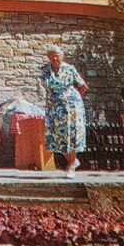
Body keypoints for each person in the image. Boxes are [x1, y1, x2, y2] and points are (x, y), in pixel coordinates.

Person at [39, 46, 88, 178]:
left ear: (62, 56)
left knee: (71, 134)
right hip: (54, 108)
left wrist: (75, 101)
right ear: (48, 57)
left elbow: (83, 87)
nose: (55, 58)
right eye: (52, 56)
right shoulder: (44, 71)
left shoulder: (70, 69)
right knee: (56, 136)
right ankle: (72, 161)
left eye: (57, 55)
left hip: (72, 107)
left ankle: (71, 166)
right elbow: (43, 86)